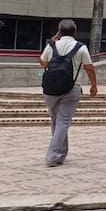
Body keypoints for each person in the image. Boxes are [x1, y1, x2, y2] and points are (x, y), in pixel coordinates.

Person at [38, 19, 98, 167]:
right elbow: (89, 68)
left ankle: (60, 154)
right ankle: (53, 157)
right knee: (63, 122)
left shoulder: (51, 45)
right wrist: (94, 86)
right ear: (75, 32)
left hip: (50, 90)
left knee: (56, 121)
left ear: (59, 32)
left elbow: (43, 63)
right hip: (71, 89)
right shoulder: (81, 48)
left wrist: (52, 41)